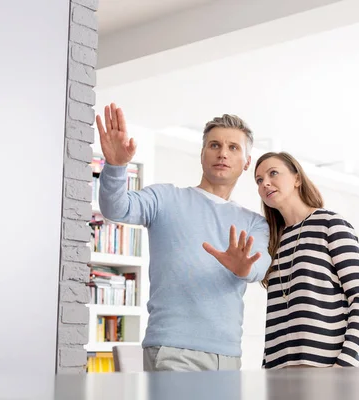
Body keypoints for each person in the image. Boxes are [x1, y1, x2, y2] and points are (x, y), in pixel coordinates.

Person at [96, 103, 271, 372]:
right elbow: (116, 208)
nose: (222, 153)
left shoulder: (255, 223)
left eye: (233, 147)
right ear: (202, 154)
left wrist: (245, 267)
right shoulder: (165, 198)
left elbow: (260, 266)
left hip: (227, 356)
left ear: (247, 162)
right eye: (214, 145)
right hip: (172, 349)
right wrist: (116, 167)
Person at [254, 152, 359, 369]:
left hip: (329, 367)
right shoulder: (273, 242)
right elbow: (279, 312)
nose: (265, 183)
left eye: (273, 173)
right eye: (259, 180)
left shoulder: (330, 224)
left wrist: (344, 364)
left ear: (297, 178)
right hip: (280, 371)